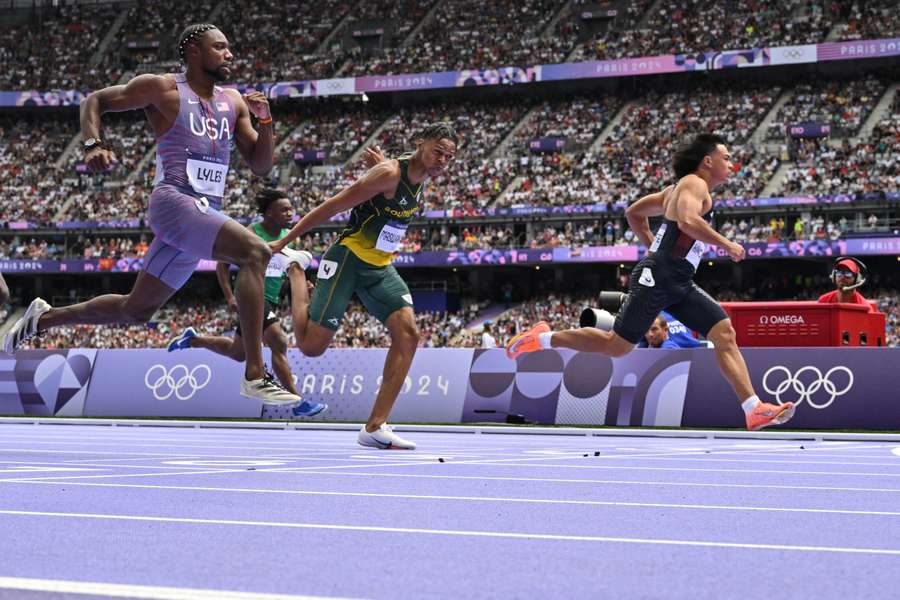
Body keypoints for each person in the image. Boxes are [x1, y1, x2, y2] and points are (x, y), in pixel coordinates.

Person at [1, 24, 299, 404]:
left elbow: (260, 165)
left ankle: (43, 318)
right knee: (256, 252)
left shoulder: (234, 102)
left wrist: (266, 123)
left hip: (203, 214)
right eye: (220, 47)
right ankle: (255, 373)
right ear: (194, 50)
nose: (230, 54)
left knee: (136, 310)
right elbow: (93, 101)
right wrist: (93, 144)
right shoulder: (162, 88)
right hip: (175, 203)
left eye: (229, 48)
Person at [506, 133, 795, 431]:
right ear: (708, 161)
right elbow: (686, 222)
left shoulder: (676, 189)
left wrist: (653, 247)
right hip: (658, 278)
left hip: (679, 279)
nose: (732, 163)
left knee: (724, 333)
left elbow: (634, 213)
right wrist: (726, 244)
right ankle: (541, 337)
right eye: (727, 157)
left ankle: (754, 409)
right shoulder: (694, 184)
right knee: (616, 346)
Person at [270, 124, 460, 449]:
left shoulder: (417, 176)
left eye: (449, 156)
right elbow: (333, 205)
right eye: (438, 151)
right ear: (420, 143)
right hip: (348, 259)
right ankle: (297, 270)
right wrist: (285, 240)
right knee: (311, 347)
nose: (443, 160)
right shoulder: (388, 174)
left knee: (409, 334)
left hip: (379, 267)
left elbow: (391, 195)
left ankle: (375, 426)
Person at [167, 188, 327, 417]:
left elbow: (288, 266)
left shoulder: (288, 234)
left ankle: (193, 340)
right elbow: (222, 265)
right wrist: (230, 296)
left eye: (291, 209)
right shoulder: (251, 232)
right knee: (278, 340)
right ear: (269, 213)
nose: (290, 212)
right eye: (284, 209)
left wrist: (304, 285)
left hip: (270, 297)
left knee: (238, 352)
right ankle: (298, 402)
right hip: (253, 298)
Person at [637, 311, 703, 349]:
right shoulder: (683, 311)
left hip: (694, 352)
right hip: (696, 351)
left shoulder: (684, 312)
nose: (650, 334)